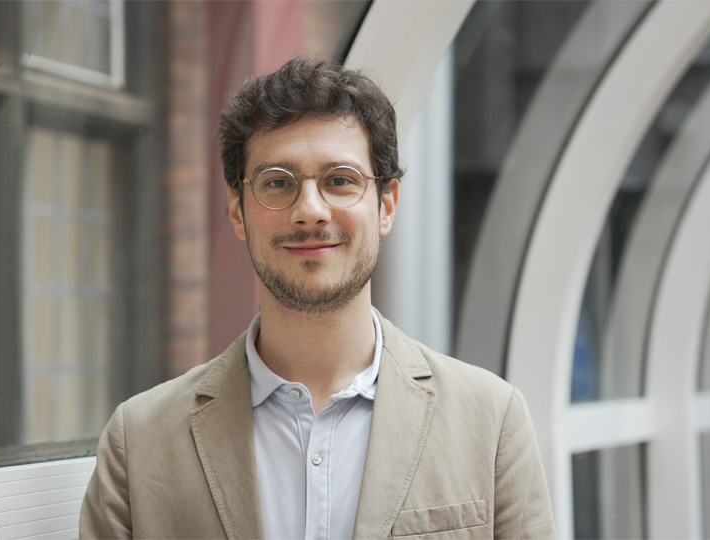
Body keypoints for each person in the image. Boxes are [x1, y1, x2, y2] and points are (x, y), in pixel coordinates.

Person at [79, 56, 556, 540]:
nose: (310, 210)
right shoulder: (137, 443)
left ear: (386, 204)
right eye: (278, 183)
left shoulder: (492, 421)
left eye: (340, 180)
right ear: (237, 211)